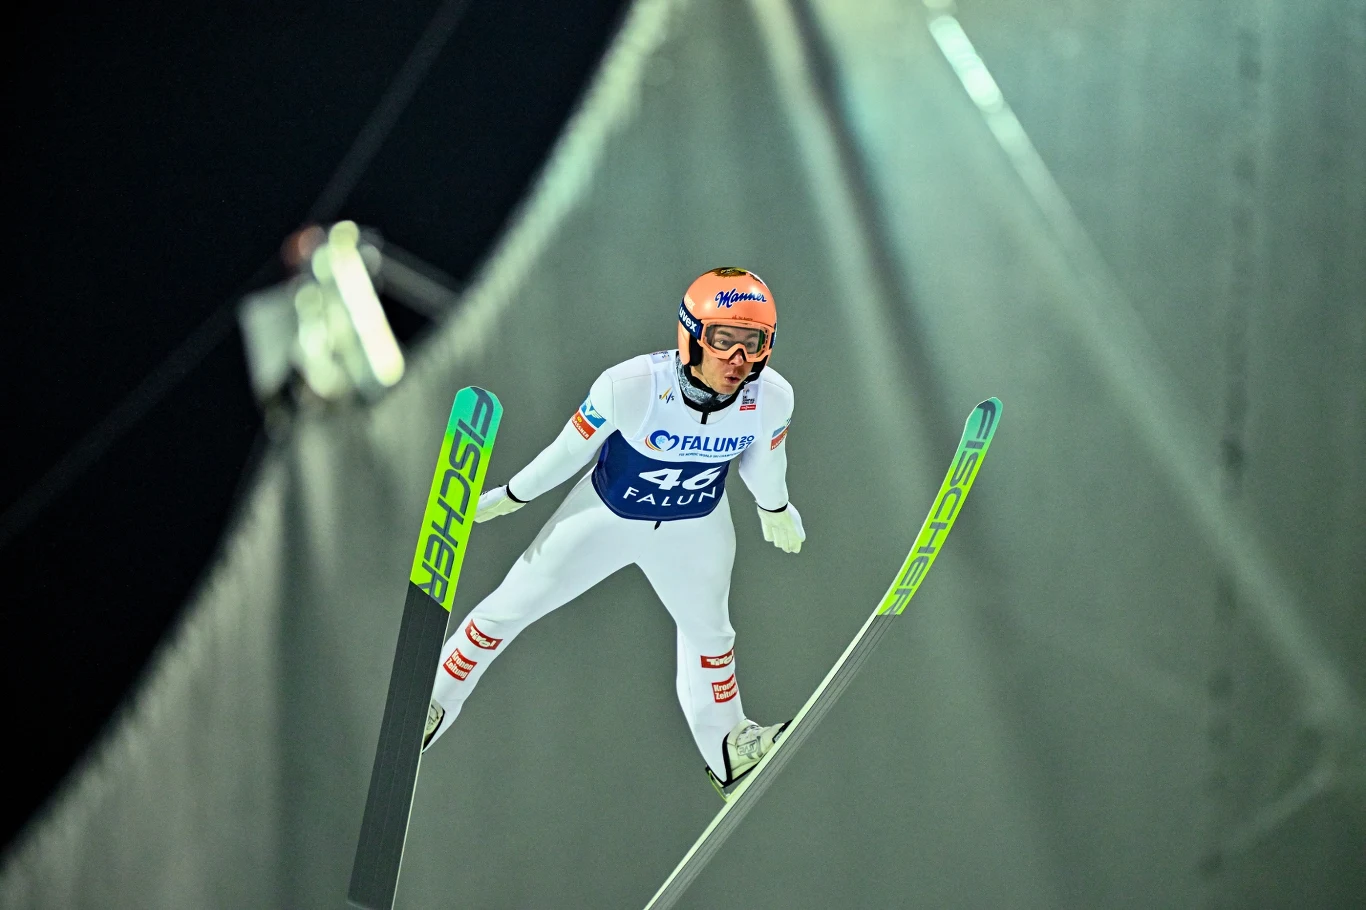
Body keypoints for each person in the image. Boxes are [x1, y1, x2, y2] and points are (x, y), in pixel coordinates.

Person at [423, 267, 804, 795]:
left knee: (712, 637)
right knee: (510, 606)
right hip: (605, 519)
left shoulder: (772, 396)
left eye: (753, 343)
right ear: (691, 335)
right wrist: (512, 495)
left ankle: (728, 747)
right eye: (724, 340)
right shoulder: (632, 385)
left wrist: (775, 507)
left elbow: (765, 463)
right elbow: (567, 452)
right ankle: (436, 699)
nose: (739, 360)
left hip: (695, 528)